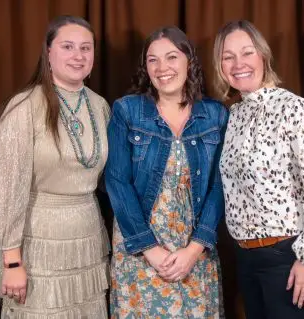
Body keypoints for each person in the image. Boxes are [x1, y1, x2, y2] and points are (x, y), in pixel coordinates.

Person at [214, 20, 304, 319]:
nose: (238, 64)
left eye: (247, 53)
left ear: (263, 56)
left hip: (288, 259)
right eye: (227, 56)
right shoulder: (233, 115)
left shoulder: (295, 109)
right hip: (246, 259)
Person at [0, 15, 110, 318]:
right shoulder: (23, 108)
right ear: (48, 52)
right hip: (38, 242)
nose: (78, 55)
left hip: (88, 239)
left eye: (86, 48)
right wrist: (12, 262)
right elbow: (5, 191)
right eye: (68, 46)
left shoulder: (100, 106)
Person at [105, 26, 228, 318]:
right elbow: (117, 182)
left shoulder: (216, 115)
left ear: (189, 60)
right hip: (140, 251)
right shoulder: (128, 111)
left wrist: (195, 249)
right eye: (153, 60)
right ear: (145, 68)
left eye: (171, 57)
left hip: (195, 253)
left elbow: (220, 186)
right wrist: (149, 249)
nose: (162, 68)